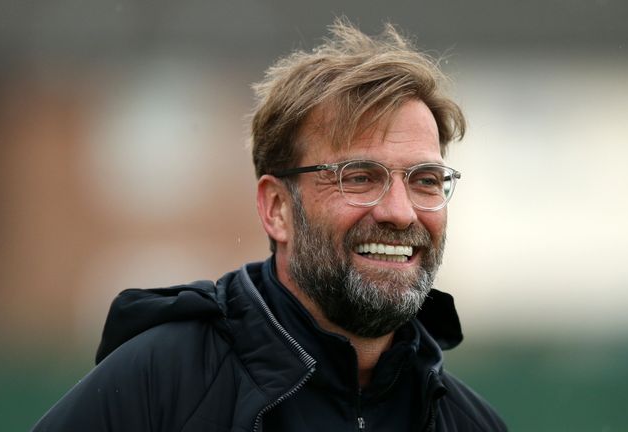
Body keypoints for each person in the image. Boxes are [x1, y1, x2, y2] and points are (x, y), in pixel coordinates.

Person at [32, 19, 507, 432]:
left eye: (426, 180)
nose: (400, 212)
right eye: (359, 178)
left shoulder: (468, 422)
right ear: (276, 207)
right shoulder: (158, 385)